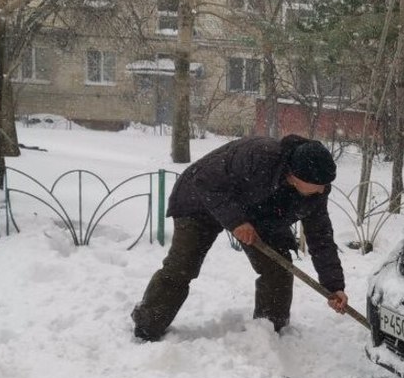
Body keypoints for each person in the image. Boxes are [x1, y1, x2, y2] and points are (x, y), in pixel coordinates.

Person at [131, 134, 348, 341]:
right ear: (295, 175)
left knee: (277, 267)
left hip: (258, 213)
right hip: (199, 200)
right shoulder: (259, 155)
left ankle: (270, 332)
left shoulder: (317, 190)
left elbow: (321, 237)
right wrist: (235, 221)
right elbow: (205, 182)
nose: (322, 191)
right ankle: (147, 325)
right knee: (182, 265)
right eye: (318, 185)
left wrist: (333, 285)